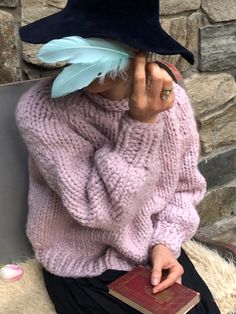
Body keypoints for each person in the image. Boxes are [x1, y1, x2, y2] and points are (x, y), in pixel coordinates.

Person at [16, 0, 220, 313]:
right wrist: (140, 125)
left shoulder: (171, 102)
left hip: (153, 250)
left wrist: (165, 243)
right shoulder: (43, 111)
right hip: (81, 259)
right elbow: (100, 213)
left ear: (140, 52)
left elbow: (184, 188)